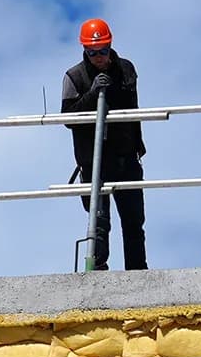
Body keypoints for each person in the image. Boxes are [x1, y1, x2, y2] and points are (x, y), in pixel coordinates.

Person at [61, 18, 145, 271]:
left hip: (127, 157)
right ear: (84, 50)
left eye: (103, 50)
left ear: (110, 45)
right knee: (99, 221)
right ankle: (97, 271)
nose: (98, 56)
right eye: (92, 52)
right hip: (93, 162)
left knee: (133, 221)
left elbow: (131, 108)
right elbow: (68, 119)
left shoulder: (126, 69)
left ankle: (137, 271)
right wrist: (92, 94)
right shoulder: (74, 77)